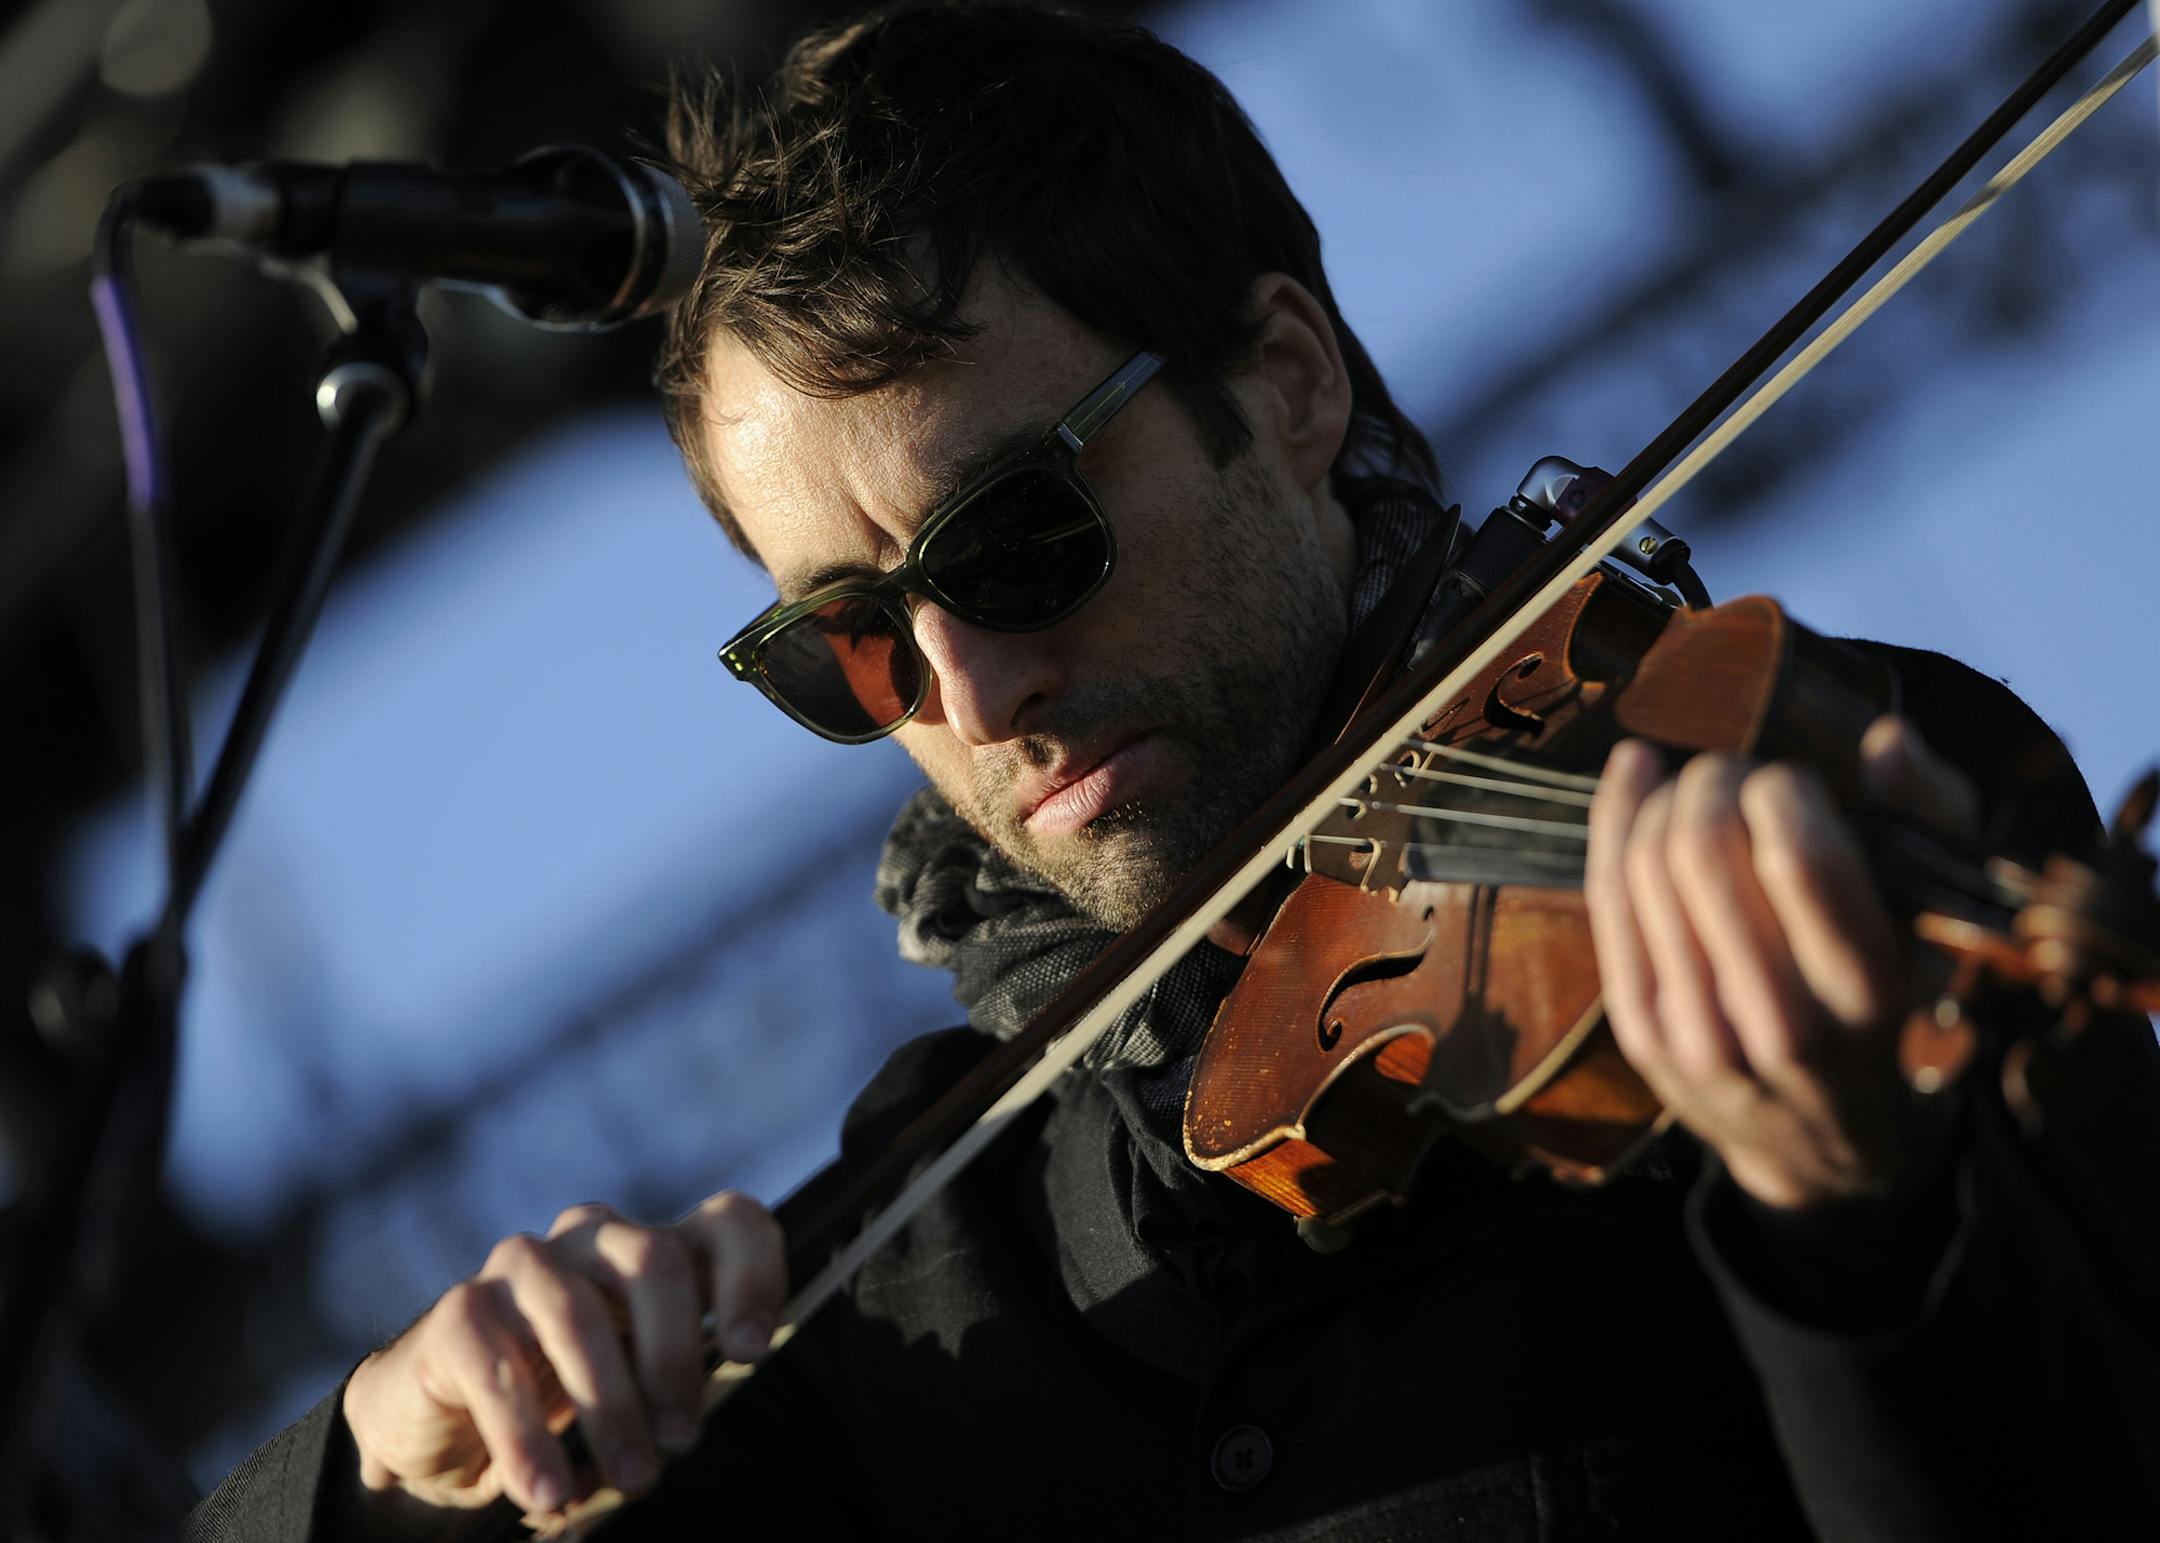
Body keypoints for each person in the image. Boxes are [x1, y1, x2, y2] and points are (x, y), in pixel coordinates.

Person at [189, 5, 2160, 1539]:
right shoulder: (900, 1286)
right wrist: (384, 1470)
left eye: (1019, 537)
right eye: (850, 637)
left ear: (1286, 380)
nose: (967, 685)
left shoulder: (1818, 786)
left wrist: (1853, 1215)